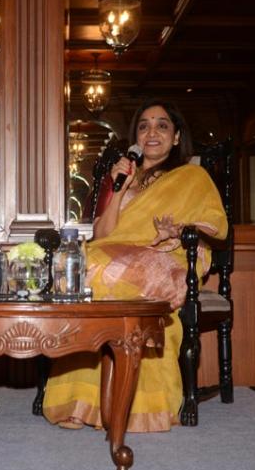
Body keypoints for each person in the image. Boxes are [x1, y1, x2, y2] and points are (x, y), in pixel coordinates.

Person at [42, 99, 227, 432]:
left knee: (101, 271)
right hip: (114, 254)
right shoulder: (123, 177)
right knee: (83, 267)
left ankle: (133, 406)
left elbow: (214, 226)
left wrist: (177, 231)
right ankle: (82, 402)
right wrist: (119, 189)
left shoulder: (192, 176)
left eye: (161, 125)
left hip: (169, 257)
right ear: (136, 138)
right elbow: (103, 235)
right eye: (144, 126)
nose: (151, 132)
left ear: (176, 137)